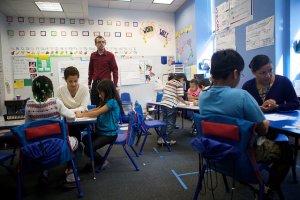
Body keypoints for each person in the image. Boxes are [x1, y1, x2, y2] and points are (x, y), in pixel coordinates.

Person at [199, 49, 292, 199]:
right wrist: (265, 121)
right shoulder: (242, 96)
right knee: (287, 150)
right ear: (235, 73)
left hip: (215, 152)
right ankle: (268, 189)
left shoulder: (203, 95)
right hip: (243, 155)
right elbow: (262, 129)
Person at [25, 75, 79, 188]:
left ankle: (44, 173)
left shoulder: (29, 104)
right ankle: (71, 176)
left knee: (43, 143)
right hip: (57, 144)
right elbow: (72, 117)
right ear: (50, 89)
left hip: (38, 146)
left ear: (34, 90)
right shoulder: (56, 102)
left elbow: (27, 126)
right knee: (77, 143)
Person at [75, 80, 123, 169]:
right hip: (102, 132)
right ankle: (96, 159)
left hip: (109, 134)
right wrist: (84, 112)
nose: (99, 95)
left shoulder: (112, 102)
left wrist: (81, 115)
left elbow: (97, 113)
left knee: (88, 150)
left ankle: (102, 161)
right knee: (85, 139)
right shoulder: (105, 101)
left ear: (107, 92)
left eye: (100, 93)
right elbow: (96, 109)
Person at [57, 66, 90, 141]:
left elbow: (84, 107)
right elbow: (60, 108)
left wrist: (67, 111)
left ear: (78, 79)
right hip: (68, 119)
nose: (73, 84)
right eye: (70, 81)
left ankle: (75, 145)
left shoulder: (84, 89)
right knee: (71, 127)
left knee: (72, 129)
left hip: (82, 119)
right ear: (65, 80)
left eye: (75, 81)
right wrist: (74, 112)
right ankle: (76, 145)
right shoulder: (60, 90)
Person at [158, 73, 189, 145]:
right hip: (170, 105)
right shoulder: (179, 84)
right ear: (182, 79)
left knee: (165, 121)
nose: (183, 83)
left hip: (163, 103)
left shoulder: (169, 82)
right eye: (183, 82)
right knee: (170, 123)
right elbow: (179, 97)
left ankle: (161, 139)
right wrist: (185, 103)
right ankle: (167, 139)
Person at [88, 36, 118, 106]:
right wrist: (89, 83)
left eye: (103, 42)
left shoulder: (110, 55)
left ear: (105, 43)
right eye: (99, 42)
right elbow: (90, 69)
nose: (101, 43)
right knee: (94, 105)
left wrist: (115, 85)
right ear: (95, 44)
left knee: (106, 106)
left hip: (106, 84)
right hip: (95, 84)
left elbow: (115, 70)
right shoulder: (93, 55)